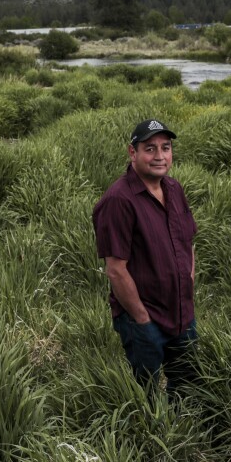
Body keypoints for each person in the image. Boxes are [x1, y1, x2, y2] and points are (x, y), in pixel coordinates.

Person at [93, 118, 198, 397]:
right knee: (146, 395)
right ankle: (150, 439)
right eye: (150, 149)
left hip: (182, 313)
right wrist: (142, 319)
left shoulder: (174, 189)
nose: (159, 156)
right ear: (132, 153)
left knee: (186, 384)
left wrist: (188, 282)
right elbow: (116, 270)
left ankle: (183, 434)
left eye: (165, 148)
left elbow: (188, 241)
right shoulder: (119, 200)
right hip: (144, 318)